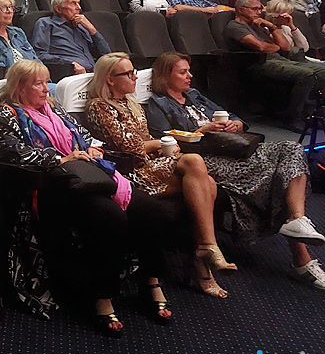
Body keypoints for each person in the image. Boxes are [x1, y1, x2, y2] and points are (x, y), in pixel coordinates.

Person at [0, 60, 175, 333]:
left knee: (151, 210)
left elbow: (84, 136)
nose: (46, 89)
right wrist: (61, 159)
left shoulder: (54, 109)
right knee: (112, 219)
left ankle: (151, 282)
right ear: (20, 87)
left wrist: (94, 149)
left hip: (88, 174)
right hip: (52, 185)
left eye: (47, 82)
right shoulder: (5, 115)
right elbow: (14, 154)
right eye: (38, 84)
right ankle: (102, 297)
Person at [145, 53, 325, 292]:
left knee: (291, 149)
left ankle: (297, 219)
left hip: (234, 150)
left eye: (189, 70)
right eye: (183, 72)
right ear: (165, 77)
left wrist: (234, 125)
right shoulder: (158, 104)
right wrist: (204, 128)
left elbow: (236, 119)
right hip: (204, 160)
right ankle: (303, 259)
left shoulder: (195, 96)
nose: (190, 76)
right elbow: (163, 139)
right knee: (277, 178)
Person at [84, 53, 234, 298]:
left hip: (151, 165)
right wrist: (159, 144)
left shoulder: (132, 104)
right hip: (129, 174)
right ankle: (203, 256)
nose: (135, 77)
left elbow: (143, 143)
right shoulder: (99, 106)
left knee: (206, 181)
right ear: (110, 79)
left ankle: (204, 253)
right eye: (128, 73)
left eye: (134, 71)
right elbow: (127, 147)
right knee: (196, 165)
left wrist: (158, 146)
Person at [224, 0, 325, 132]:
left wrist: (271, 26)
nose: (259, 12)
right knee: (306, 75)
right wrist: (274, 46)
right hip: (258, 64)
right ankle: (293, 118)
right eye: (255, 9)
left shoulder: (259, 26)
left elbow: (285, 47)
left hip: (279, 60)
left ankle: (308, 114)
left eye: (260, 8)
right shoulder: (235, 26)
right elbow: (260, 47)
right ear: (241, 9)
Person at [264, 0, 325, 129]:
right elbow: (286, 50)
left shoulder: (287, 28)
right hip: (294, 62)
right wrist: (276, 28)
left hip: (305, 58)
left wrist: (293, 27)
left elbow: (304, 47)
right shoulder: (268, 29)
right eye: (285, 14)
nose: (288, 17)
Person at [32, 0, 111, 74]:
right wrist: (70, 64)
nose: (79, 8)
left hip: (93, 73)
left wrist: (91, 29)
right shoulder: (46, 23)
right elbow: (40, 54)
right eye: (73, 3)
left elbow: (106, 54)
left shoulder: (81, 26)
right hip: (70, 74)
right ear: (58, 9)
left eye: (78, 3)